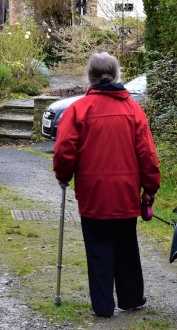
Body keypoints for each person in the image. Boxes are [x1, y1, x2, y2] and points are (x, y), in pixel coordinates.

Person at [52, 52, 161, 318]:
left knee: (98, 249)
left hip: (93, 196)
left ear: (89, 77)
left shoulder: (77, 110)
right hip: (125, 194)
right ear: (117, 75)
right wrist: (150, 187)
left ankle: (102, 306)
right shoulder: (133, 110)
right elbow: (147, 153)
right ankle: (131, 297)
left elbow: (64, 150)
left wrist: (63, 175)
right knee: (126, 246)